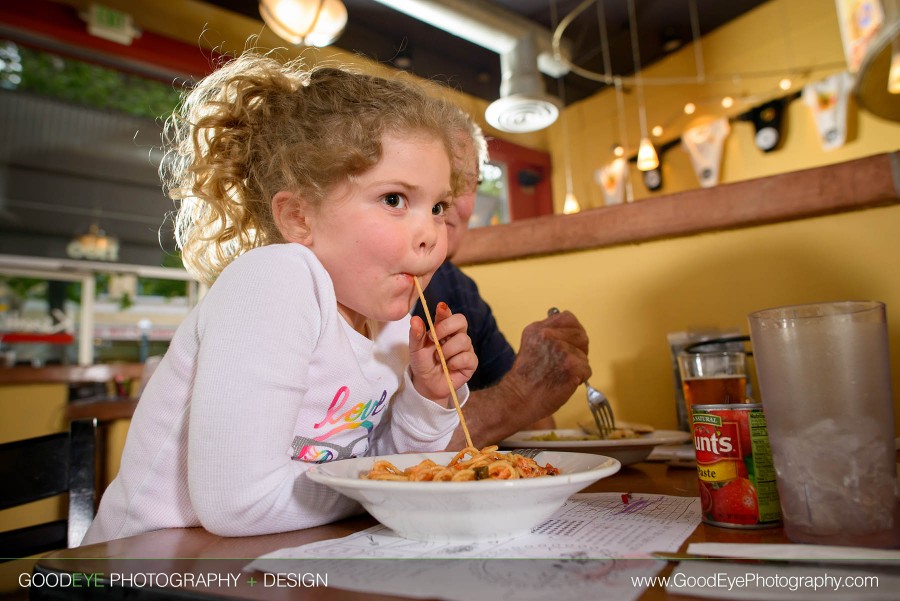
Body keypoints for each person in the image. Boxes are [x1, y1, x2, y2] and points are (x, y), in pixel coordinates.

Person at [82, 53, 478, 544]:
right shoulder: (275, 280)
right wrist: (389, 484)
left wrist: (427, 399)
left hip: (267, 557)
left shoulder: (390, 319)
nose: (431, 234)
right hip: (144, 568)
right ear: (299, 218)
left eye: (438, 206)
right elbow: (238, 505)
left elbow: (384, 461)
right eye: (394, 199)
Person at [413, 118, 592, 450]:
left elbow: (537, 423)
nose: (448, 199)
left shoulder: (460, 290)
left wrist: (533, 386)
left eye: (464, 182)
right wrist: (516, 395)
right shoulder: (357, 285)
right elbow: (377, 447)